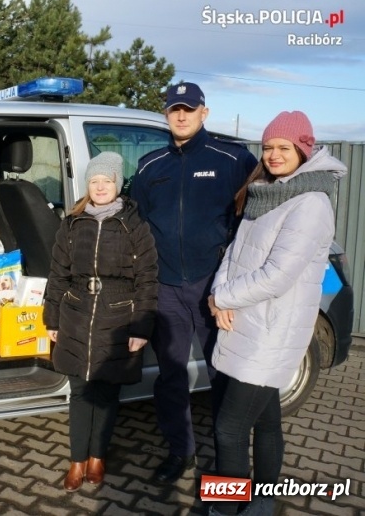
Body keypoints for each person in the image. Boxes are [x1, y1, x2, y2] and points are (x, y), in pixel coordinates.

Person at [207, 111, 347, 515]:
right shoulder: (267, 193)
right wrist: (218, 293)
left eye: (284, 147)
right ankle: (262, 501)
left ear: (303, 150)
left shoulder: (311, 203)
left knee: (229, 429)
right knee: (266, 420)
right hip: (246, 324)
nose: (273, 155)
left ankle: (225, 510)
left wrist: (223, 299)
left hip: (270, 332)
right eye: (268, 147)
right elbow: (234, 253)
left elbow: (277, 276)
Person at [130, 82, 259, 485]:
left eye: (189, 109)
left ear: (204, 112)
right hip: (166, 287)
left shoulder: (233, 159)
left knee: (223, 374)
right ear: (166, 114)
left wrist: (233, 283)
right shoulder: (150, 166)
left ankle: (227, 460)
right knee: (171, 376)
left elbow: (254, 223)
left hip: (213, 288)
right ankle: (180, 452)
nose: (181, 115)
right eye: (175, 109)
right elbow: (137, 225)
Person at [43, 152, 158, 492]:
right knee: (79, 392)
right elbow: (58, 275)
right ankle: (77, 460)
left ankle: (97, 457)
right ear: (87, 185)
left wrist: (141, 327)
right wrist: (52, 318)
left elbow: (147, 280)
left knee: (107, 393)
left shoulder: (135, 225)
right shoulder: (72, 223)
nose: (101, 187)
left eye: (107, 181)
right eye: (94, 181)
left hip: (118, 315)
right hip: (76, 313)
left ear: (118, 184)